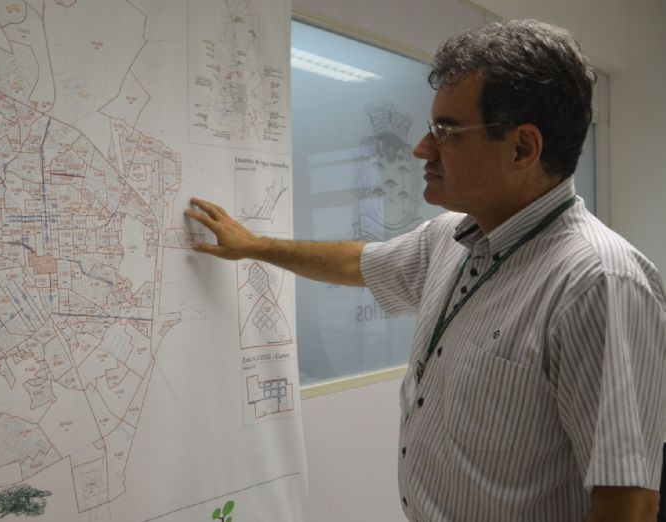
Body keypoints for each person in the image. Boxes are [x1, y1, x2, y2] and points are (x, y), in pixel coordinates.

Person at [185, 19, 666, 522]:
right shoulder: (452, 237)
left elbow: (629, 506)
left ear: (523, 148)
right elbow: (358, 263)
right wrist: (255, 246)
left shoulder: (598, 283)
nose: (421, 149)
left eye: (447, 132)